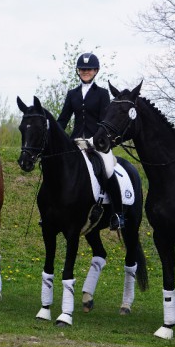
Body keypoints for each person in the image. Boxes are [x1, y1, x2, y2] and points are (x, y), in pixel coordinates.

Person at [56, 52, 124, 231]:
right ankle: (53, 211)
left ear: (96, 71)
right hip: (76, 142)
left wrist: (95, 139)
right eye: (83, 69)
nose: (86, 72)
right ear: (78, 71)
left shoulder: (102, 94)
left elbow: (104, 120)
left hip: (97, 142)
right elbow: (63, 119)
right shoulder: (72, 94)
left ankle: (117, 213)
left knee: (109, 168)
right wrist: (54, 134)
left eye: (89, 69)